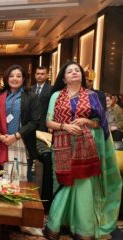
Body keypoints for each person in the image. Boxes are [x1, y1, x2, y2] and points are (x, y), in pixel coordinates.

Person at [44, 62, 121, 239]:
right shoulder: (56, 95)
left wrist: (86, 122)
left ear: (82, 76)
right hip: (63, 146)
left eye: (76, 71)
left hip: (87, 147)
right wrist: (66, 127)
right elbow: (49, 122)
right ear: (63, 78)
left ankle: (83, 228)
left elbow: (99, 123)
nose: (73, 73)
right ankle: (60, 223)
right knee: (65, 183)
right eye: (69, 71)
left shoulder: (93, 96)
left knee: (84, 185)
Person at [0, 65, 40, 181]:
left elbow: (35, 121)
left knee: (22, 180)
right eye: (11, 76)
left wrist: (15, 136)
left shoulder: (31, 96)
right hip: (3, 141)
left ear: (23, 79)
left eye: (18, 76)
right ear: (6, 78)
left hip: (22, 141)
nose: (15, 78)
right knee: (3, 180)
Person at [32, 66, 52, 132]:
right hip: (31, 124)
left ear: (47, 76)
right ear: (35, 75)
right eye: (38, 74)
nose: (39, 76)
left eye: (42, 74)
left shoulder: (51, 89)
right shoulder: (30, 89)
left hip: (44, 124)